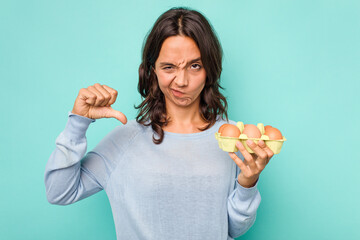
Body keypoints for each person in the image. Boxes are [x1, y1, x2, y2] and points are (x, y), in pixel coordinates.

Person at [44, 7, 274, 240]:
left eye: (195, 66)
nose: (182, 81)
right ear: (152, 69)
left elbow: (232, 230)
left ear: (209, 70)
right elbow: (59, 192)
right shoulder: (125, 140)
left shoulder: (232, 138)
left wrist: (247, 184)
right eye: (169, 67)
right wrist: (78, 122)